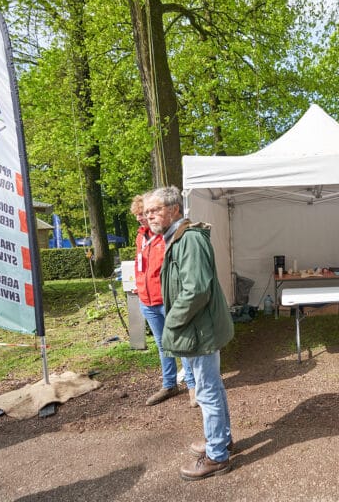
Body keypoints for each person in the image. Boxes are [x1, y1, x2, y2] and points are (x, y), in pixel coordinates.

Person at [144, 186, 235, 480]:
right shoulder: (176, 238)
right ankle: (220, 440)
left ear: (174, 209)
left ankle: (217, 456)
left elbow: (196, 290)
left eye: (155, 210)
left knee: (207, 392)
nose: (149, 216)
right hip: (197, 328)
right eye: (147, 212)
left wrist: (172, 322)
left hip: (199, 329)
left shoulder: (189, 239)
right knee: (212, 388)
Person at [130, 193, 197, 407]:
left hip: (167, 299)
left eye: (144, 214)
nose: (141, 218)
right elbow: (141, 265)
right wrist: (139, 286)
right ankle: (169, 384)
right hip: (146, 300)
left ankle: (193, 386)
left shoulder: (166, 234)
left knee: (180, 343)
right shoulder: (141, 237)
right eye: (138, 215)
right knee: (162, 344)